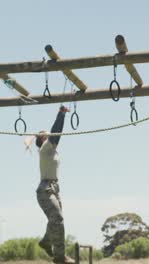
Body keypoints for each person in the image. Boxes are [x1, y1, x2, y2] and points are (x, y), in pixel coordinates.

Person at [35, 106, 74, 264]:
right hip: (45, 190)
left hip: (54, 189)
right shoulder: (45, 148)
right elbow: (56, 133)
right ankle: (59, 257)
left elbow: (55, 135)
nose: (49, 135)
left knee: (54, 220)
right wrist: (61, 114)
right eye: (46, 134)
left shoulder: (51, 150)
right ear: (43, 139)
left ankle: (46, 241)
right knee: (57, 218)